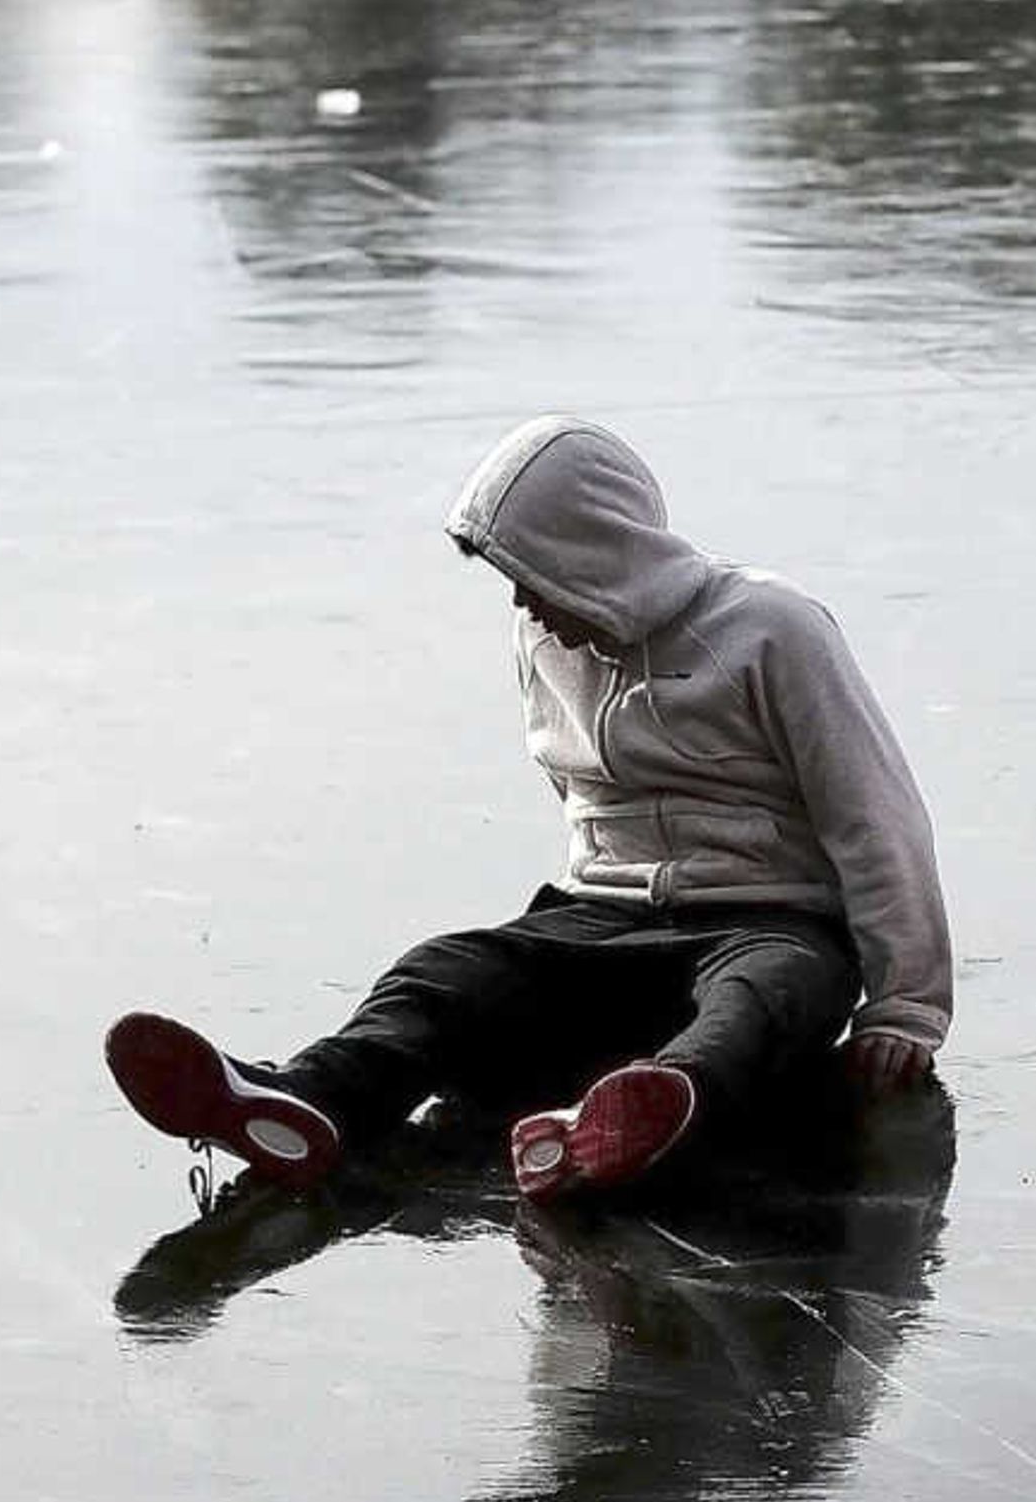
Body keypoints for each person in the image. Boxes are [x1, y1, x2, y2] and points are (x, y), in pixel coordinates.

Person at [106, 415, 954, 1202]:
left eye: (533, 575)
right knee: (443, 971)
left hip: (770, 923)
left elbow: (876, 816)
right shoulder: (543, 640)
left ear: (597, 552)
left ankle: (653, 1110)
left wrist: (904, 1008)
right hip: (599, 921)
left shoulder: (774, 630)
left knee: (761, 996)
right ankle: (308, 1098)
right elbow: (580, 796)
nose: (522, 602)